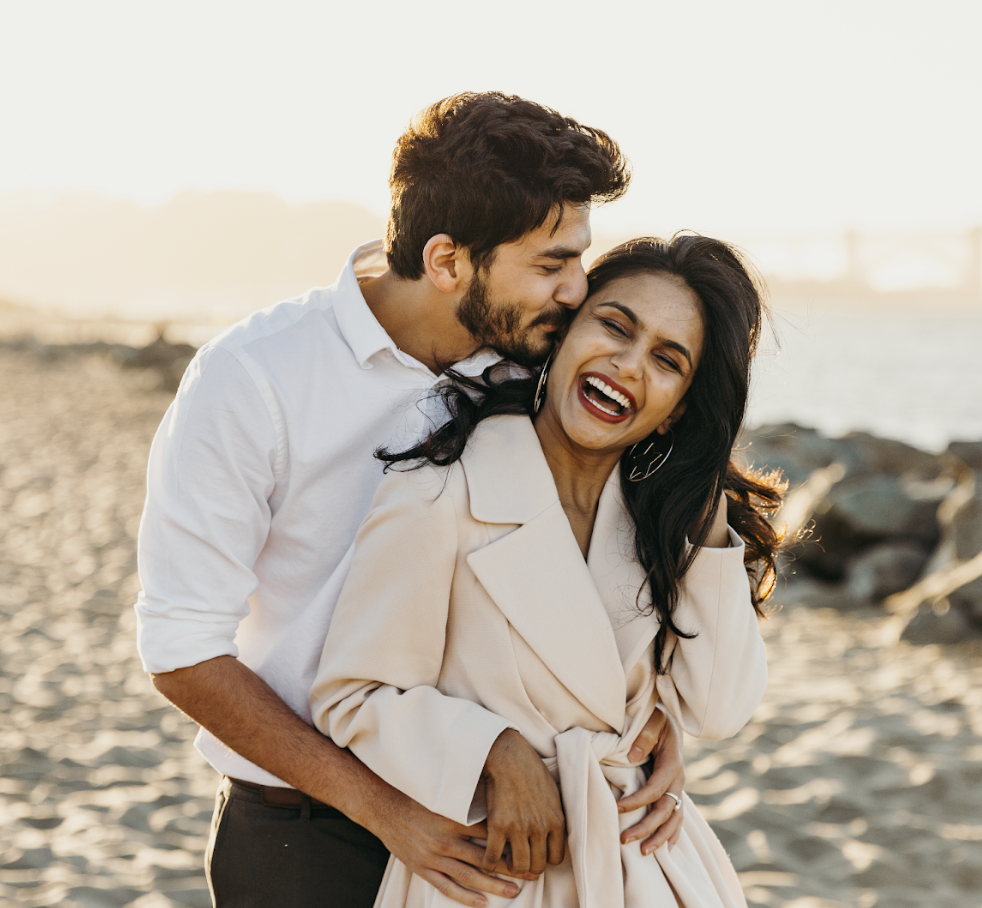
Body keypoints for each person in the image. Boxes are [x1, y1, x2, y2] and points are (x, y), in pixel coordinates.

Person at [134, 93, 689, 908]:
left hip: (505, 822)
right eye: (550, 265)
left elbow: (598, 548)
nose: (577, 291)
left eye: (580, 260)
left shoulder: (536, 366)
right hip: (307, 836)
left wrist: (651, 716)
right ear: (446, 262)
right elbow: (181, 649)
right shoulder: (253, 379)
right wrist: (386, 813)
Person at [311, 234, 786, 907]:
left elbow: (716, 709)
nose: (627, 364)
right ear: (563, 333)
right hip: (499, 872)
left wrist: (706, 504)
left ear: (677, 408)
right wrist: (493, 750)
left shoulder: (660, 521)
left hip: (647, 861)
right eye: (614, 326)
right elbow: (353, 696)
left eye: (667, 360)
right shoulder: (440, 493)